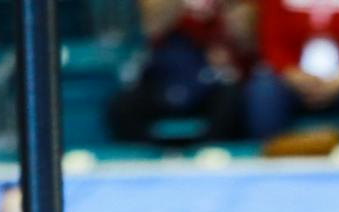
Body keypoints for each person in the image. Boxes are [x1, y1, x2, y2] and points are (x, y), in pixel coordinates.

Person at [245, 0, 339, 139]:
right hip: (293, 79)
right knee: (263, 90)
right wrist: (296, 76)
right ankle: (267, 154)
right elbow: (271, 45)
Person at [108, 0, 254, 144]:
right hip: (161, 85)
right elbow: (150, 31)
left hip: (206, 86)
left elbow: (242, 44)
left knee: (230, 98)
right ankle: (148, 153)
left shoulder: (219, 15)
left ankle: (209, 149)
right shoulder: (156, 21)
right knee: (122, 105)